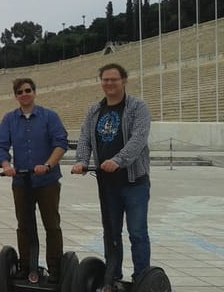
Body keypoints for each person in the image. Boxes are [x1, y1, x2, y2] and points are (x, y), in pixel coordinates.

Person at [72, 63, 151, 292]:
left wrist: (118, 160)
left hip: (134, 182)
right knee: (111, 233)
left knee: (137, 233)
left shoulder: (137, 107)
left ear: (124, 81)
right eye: (105, 80)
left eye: (114, 79)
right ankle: (112, 278)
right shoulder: (95, 110)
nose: (109, 83)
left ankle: (142, 279)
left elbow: (138, 139)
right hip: (107, 184)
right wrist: (81, 161)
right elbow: (85, 139)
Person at [0, 78, 68, 283]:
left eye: (28, 90)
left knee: (51, 224)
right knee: (24, 225)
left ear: (34, 92)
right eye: (20, 92)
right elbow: (1, 146)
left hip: (47, 181)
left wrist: (48, 165)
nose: (24, 94)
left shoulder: (49, 116)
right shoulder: (9, 119)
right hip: (21, 181)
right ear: (15, 96)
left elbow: (61, 143)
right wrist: (6, 165)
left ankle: (55, 268)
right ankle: (25, 266)